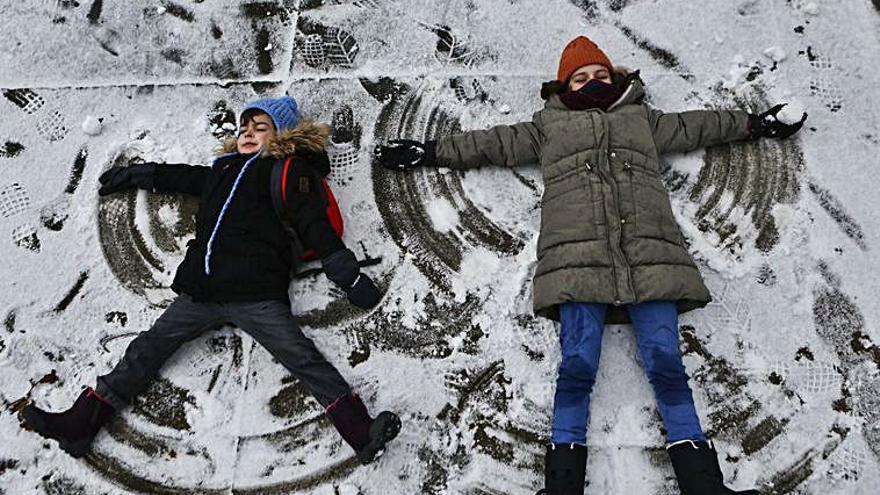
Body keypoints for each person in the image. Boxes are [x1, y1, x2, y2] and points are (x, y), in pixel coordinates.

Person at [376, 36, 805, 494]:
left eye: (600, 75)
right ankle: (562, 487)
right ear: (564, 86)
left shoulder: (642, 119)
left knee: (666, 363)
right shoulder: (547, 128)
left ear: (615, 77)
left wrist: (755, 123)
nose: (593, 82)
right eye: (581, 77)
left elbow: (697, 127)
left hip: (650, 258)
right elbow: (490, 144)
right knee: (577, 365)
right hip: (576, 263)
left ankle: (704, 485)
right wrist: (430, 151)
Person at [22, 95, 400, 465]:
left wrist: (348, 278)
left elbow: (315, 226)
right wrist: (141, 174)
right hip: (202, 292)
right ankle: (80, 424)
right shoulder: (224, 171)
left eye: (261, 127)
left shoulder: (288, 172)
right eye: (244, 128)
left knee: (302, 358)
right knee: (148, 347)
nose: (248, 133)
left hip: (257, 296)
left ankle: (360, 431)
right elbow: (188, 177)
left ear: (283, 134)